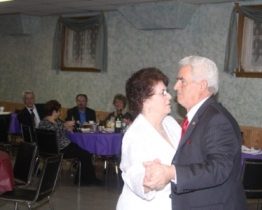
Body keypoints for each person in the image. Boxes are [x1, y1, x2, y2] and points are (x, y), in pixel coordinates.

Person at [143, 56, 248, 210]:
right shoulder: (200, 117)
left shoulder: (216, 119)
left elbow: (218, 168)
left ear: (202, 85)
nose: (176, 86)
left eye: (182, 81)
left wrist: (172, 172)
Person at [116, 68, 181, 210]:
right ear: (145, 100)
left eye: (167, 91)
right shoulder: (135, 135)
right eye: (163, 93)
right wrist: (147, 182)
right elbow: (134, 173)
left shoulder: (171, 123)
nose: (169, 96)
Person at [38, 100, 103, 186]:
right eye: (59, 111)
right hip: (59, 149)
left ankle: (82, 178)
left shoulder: (54, 121)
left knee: (85, 150)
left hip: (63, 146)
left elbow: (58, 128)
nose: (59, 113)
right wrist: (66, 125)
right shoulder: (45, 123)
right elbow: (54, 129)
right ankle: (89, 180)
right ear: (54, 111)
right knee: (86, 154)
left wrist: (66, 128)